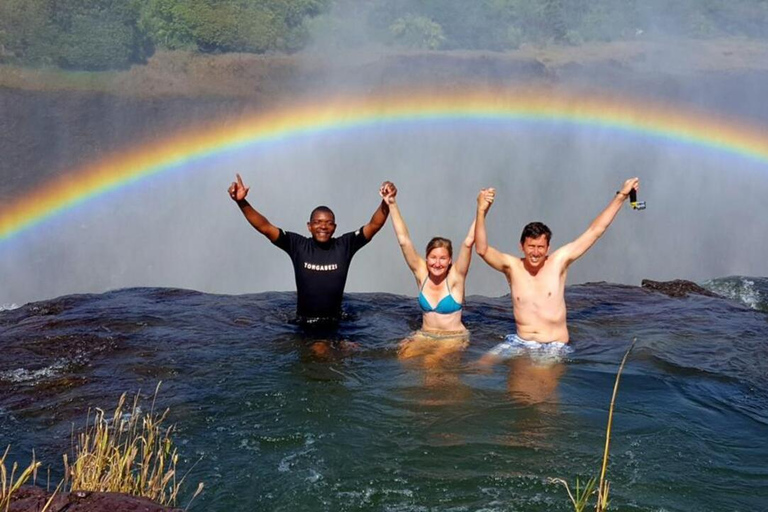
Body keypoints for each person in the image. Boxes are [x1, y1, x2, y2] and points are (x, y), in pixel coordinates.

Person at [474, 177, 640, 361]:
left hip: (554, 345)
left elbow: (595, 230)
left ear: (548, 248)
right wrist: (481, 211)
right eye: (531, 246)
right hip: (520, 341)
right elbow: (482, 249)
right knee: (481, 366)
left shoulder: (558, 262)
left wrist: (622, 195)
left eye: (540, 247)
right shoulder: (512, 267)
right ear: (522, 246)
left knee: (533, 380)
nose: (535, 253)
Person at [228, 173, 395, 327]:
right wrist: (241, 202)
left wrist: (386, 202)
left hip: (336, 324)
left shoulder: (345, 245)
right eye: (317, 222)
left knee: (331, 350)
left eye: (329, 223)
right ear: (309, 226)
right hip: (303, 324)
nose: (323, 226)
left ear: (335, 227)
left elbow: (374, 226)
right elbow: (265, 227)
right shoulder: (297, 245)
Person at [380, 185, 476, 366]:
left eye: (442, 258)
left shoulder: (456, 278)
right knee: (403, 358)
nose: (437, 263)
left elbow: (469, 243)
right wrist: (392, 204)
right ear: (426, 258)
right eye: (433, 257)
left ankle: (445, 393)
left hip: (453, 337)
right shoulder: (421, 273)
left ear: (450, 261)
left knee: (431, 362)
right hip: (425, 334)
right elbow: (404, 240)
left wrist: (481, 209)